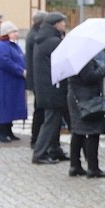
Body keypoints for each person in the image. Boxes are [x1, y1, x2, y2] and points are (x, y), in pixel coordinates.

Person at [31, 13, 69, 165]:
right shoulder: (53, 42)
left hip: (46, 87)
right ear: (55, 24)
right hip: (53, 88)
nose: (64, 25)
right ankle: (39, 153)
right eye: (62, 22)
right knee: (51, 121)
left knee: (54, 120)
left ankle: (54, 149)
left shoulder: (44, 39)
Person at [66, 51, 105, 179]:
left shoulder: (74, 56)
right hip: (86, 99)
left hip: (77, 97)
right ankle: (93, 168)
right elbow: (89, 77)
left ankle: (75, 165)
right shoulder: (81, 57)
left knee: (78, 132)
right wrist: (104, 69)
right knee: (92, 132)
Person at [0, 21, 26, 143]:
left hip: (14, 81)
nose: (16, 34)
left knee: (12, 105)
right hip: (4, 81)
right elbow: (5, 62)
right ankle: (1, 131)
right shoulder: (0, 46)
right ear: (6, 33)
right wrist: (20, 71)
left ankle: (8, 130)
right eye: (13, 31)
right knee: (4, 105)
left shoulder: (13, 45)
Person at [24, 11, 46, 147]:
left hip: (35, 77)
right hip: (37, 78)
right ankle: (36, 138)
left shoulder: (33, 34)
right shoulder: (36, 36)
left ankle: (37, 138)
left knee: (39, 109)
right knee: (39, 110)